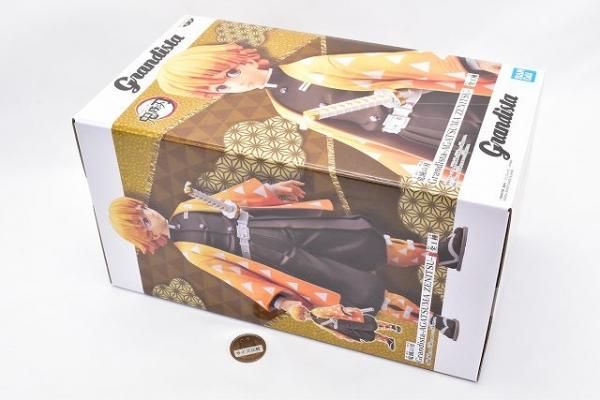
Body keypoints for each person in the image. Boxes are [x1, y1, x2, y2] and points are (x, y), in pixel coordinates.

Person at [109, 178, 465, 340]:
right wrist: (282, 300)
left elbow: (233, 199)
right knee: (363, 291)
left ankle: (440, 253)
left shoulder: (187, 206)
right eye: (143, 223)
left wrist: (270, 191)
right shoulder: (192, 251)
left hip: (282, 226)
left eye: (143, 211)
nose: (150, 216)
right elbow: (240, 279)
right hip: (279, 261)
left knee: (362, 238)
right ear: (147, 238)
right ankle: (434, 323)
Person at [157, 43, 500, 177]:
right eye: (222, 88)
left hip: (428, 107)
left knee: (493, 125)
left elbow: (388, 63)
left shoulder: (309, 68)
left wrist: (466, 61)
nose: (235, 84)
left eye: (230, 73)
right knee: (478, 162)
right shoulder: (284, 107)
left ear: (242, 58)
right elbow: (355, 137)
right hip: (408, 133)